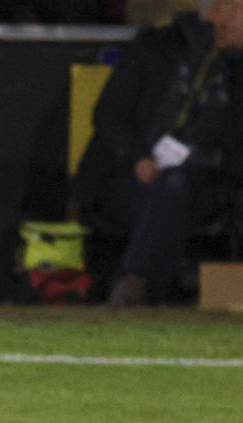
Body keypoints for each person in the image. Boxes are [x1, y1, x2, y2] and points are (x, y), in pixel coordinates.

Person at [73, 0, 243, 306]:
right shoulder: (155, 49)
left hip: (200, 187)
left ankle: (133, 280)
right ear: (222, 10)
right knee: (169, 198)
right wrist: (137, 158)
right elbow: (108, 115)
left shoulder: (235, 70)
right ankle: (154, 292)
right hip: (129, 180)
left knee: (176, 186)